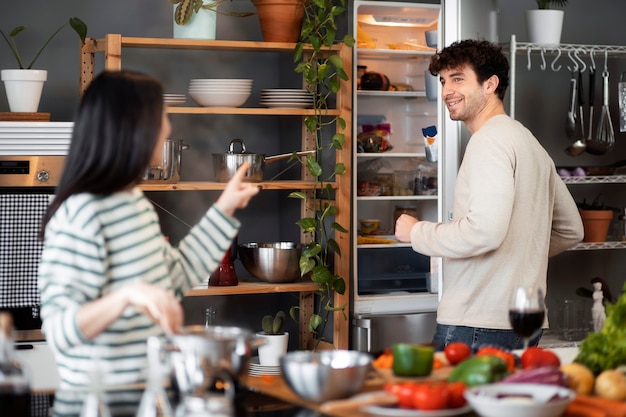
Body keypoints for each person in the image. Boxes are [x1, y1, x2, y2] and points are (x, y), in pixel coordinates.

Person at [37, 70, 260, 416]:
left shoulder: (134, 203)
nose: (168, 128)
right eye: (162, 118)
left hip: (147, 403)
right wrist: (128, 295)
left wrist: (225, 206)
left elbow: (176, 277)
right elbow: (59, 330)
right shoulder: (82, 212)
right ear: (133, 128)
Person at [395, 40, 584, 352]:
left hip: (478, 322)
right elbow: (571, 230)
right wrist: (514, 255)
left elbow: (483, 232)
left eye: (458, 78)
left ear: (490, 84)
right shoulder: (528, 142)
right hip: (523, 321)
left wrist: (416, 232)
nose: (446, 91)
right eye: (443, 81)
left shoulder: (489, 142)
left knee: (455, 401)